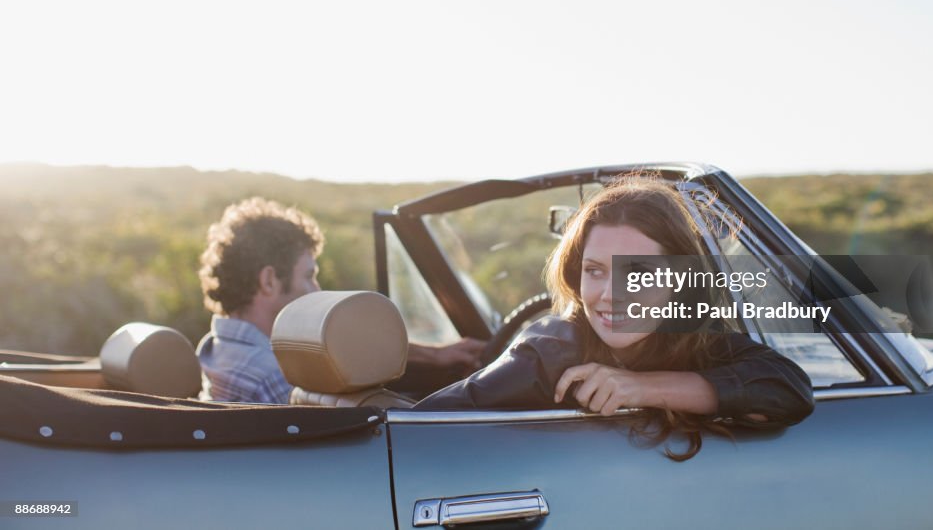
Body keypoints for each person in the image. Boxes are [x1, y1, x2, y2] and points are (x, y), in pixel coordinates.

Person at [415, 177, 815, 460]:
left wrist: (640, 388)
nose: (610, 296)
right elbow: (417, 430)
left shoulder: (692, 336)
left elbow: (789, 390)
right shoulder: (552, 351)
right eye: (594, 271)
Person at [197, 197, 485, 404]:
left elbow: (343, 350)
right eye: (309, 276)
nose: (316, 288)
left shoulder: (216, 346)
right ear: (269, 280)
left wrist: (436, 356)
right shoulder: (274, 377)